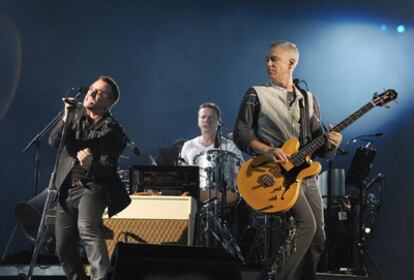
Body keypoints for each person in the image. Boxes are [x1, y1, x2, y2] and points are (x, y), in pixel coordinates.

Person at [233, 41, 342, 280]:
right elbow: (242, 133)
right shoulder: (256, 93)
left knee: (318, 237)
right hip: (275, 174)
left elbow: (318, 147)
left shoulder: (309, 99)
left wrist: (331, 144)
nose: (268, 63)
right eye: (267, 59)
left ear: (292, 63)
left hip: (306, 175)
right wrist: (268, 150)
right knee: (306, 225)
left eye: (274, 59)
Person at [48, 75, 131, 280]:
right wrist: (66, 117)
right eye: (92, 88)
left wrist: (90, 165)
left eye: (99, 92)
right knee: (63, 247)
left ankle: (101, 277)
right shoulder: (74, 115)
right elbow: (53, 141)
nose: (91, 93)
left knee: (87, 228)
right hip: (67, 187)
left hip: (92, 186)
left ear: (109, 102)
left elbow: (108, 170)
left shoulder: (113, 130)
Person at [180, 102, 243, 204]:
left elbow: (241, 172)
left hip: (224, 193)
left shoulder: (230, 146)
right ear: (198, 122)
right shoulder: (189, 146)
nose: (206, 120)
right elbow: (182, 174)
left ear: (218, 122)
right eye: (203, 117)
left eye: (211, 118)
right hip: (195, 195)